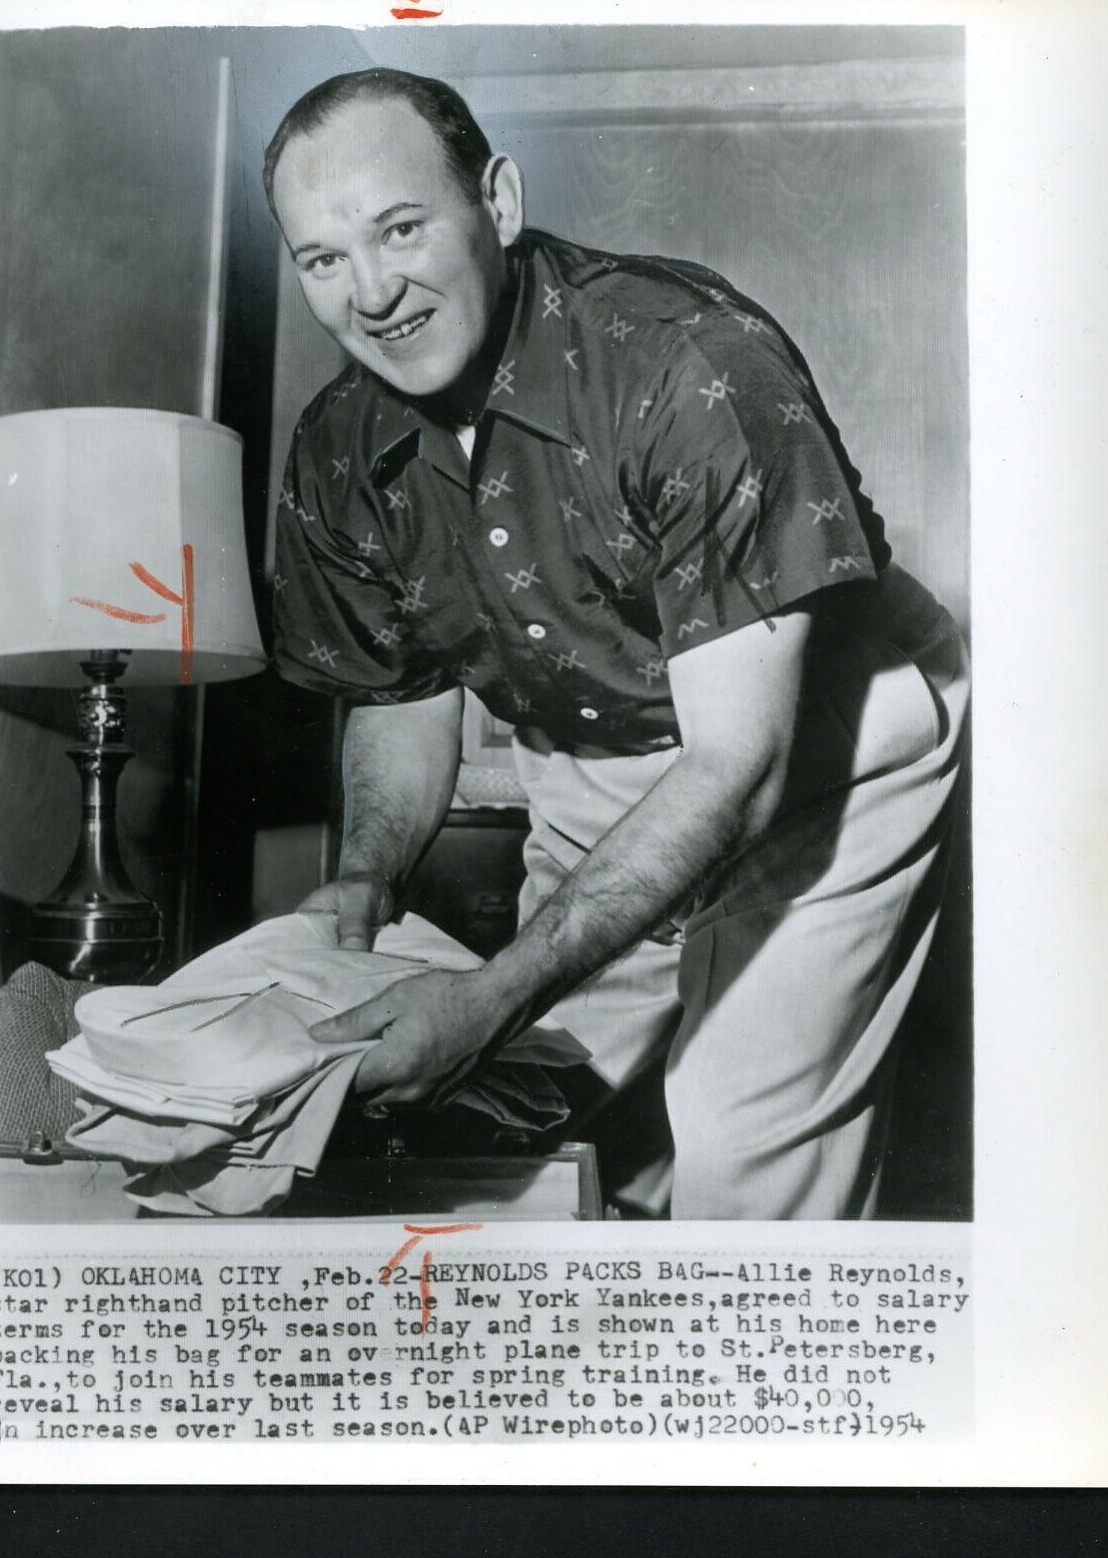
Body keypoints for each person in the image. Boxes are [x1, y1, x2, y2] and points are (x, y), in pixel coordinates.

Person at [264, 68, 970, 1220]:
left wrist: (491, 993)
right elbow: (402, 694)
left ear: (495, 200)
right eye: (324, 260)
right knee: (534, 1110)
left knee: (743, 1144)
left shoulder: (687, 359)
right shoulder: (338, 448)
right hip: (600, 753)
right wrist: (365, 872)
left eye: (401, 228)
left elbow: (738, 767)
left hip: (825, 748)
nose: (375, 292)